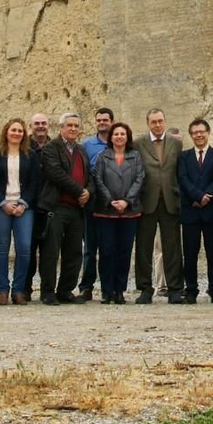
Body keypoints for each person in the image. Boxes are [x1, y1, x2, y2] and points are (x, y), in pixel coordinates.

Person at [0, 117, 40, 305]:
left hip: (24, 207)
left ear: (24, 135)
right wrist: (3, 203)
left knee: (24, 247)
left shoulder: (30, 155)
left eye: (20, 131)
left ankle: (18, 290)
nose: (16, 133)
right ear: (6, 132)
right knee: (2, 248)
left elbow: (34, 183)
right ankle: (2, 290)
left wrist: (23, 203)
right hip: (0, 206)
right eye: (13, 130)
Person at [36, 112, 91, 304]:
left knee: (74, 251)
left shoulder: (81, 150)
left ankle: (66, 290)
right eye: (69, 126)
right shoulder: (51, 148)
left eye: (76, 126)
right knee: (51, 251)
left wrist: (88, 192)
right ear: (61, 128)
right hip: (56, 207)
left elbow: (88, 175)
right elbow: (55, 173)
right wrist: (79, 191)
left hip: (76, 209)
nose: (73, 129)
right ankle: (48, 292)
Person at [90, 121, 145, 302]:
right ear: (111, 137)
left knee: (124, 252)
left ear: (127, 137)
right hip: (106, 211)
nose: (119, 137)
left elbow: (139, 179)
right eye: (116, 134)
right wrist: (111, 201)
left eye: (122, 134)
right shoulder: (102, 157)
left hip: (129, 212)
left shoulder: (135, 156)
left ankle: (120, 290)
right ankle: (107, 291)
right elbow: (97, 179)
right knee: (106, 252)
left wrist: (126, 201)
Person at [136, 108, 185, 304]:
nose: (157, 125)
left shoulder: (176, 144)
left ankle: (174, 288)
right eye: (153, 122)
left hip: (170, 201)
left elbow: (179, 171)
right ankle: (145, 288)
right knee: (144, 247)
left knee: (172, 246)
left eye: (160, 121)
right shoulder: (138, 144)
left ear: (165, 121)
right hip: (146, 202)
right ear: (148, 123)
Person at [177, 116, 213, 303]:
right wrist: (198, 196)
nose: (199, 135)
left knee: (212, 251)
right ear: (191, 135)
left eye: (201, 132)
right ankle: (191, 290)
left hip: (211, 211)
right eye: (195, 132)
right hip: (190, 210)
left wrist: (207, 196)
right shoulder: (184, 156)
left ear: (208, 133)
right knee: (190, 253)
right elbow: (182, 179)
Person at [76, 107, 114, 301]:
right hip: (92, 199)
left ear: (112, 122)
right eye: (99, 120)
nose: (102, 123)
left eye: (105, 120)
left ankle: (109, 288)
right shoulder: (87, 145)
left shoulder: (119, 142)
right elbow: (83, 172)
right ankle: (86, 287)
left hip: (113, 202)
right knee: (90, 246)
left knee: (109, 247)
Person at [24, 112, 53, 296]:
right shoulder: (23, 146)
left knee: (49, 251)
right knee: (28, 249)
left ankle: (47, 290)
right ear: (31, 126)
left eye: (43, 123)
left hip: (49, 204)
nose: (40, 126)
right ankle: (25, 288)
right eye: (37, 123)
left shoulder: (55, 147)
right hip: (28, 205)